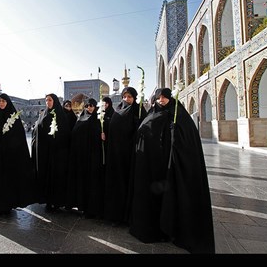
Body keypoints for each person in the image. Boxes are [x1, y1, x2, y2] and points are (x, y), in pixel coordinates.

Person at [129, 88, 215, 254]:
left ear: (170, 98)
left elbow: (188, 143)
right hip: (153, 170)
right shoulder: (151, 114)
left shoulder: (180, 117)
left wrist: (175, 139)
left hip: (171, 171)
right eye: (158, 98)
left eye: (164, 98)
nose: (161, 101)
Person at [104, 87, 147, 225]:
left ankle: (129, 216)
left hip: (130, 155)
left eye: (129, 97)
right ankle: (116, 215)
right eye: (124, 96)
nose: (126, 99)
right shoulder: (118, 110)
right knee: (117, 184)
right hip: (116, 154)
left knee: (129, 184)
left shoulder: (138, 111)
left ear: (134, 98)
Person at [31, 93, 70, 211]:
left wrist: (56, 138)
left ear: (55, 101)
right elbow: (37, 130)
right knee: (46, 176)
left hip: (58, 154)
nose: (48, 102)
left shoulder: (61, 115)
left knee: (56, 177)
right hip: (45, 153)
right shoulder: (43, 114)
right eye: (46, 100)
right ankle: (47, 200)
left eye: (50, 100)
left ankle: (57, 201)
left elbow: (66, 133)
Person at [66, 98, 104, 218]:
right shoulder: (80, 119)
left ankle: (92, 208)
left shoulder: (99, 120)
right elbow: (74, 135)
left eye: (92, 106)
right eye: (87, 106)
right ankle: (82, 206)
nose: (89, 108)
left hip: (93, 158)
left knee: (92, 182)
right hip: (81, 158)